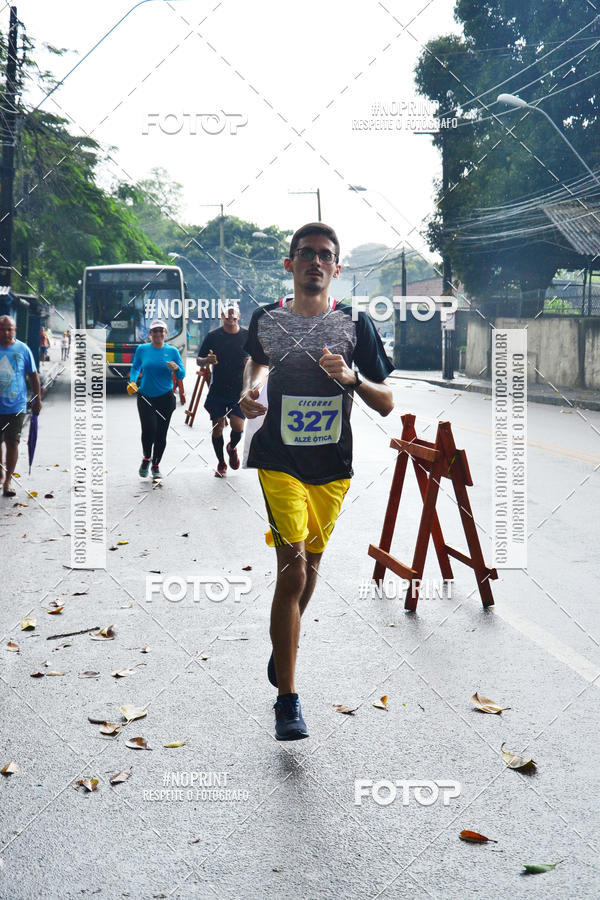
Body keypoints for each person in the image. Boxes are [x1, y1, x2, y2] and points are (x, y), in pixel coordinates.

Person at [240, 223, 394, 741]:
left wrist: (351, 378)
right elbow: (256, 366)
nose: (315, 261)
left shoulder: (354, 325)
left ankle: (283, 644)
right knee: (293, 572)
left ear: (336, 268)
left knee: (311, 572)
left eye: (325, 255)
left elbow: (387, 402)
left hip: (332, 468)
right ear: (289, 264)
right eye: (305, 253)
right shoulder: (266, 320)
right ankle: (288, 701)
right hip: (278, 460)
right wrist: (250, 392)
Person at [127, 319, 185, 480]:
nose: (158, 334)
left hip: (165, 398)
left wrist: (177, 368)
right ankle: (146, 458)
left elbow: (182, 375)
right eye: (155, 331)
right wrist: (132, 380)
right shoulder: (142, 349)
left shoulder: (172, 351)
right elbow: (136, 366)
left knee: (161, 433)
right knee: (149, 430)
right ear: (150, 334)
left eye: (161, 331)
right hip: (145, 396)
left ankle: (156, 465)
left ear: (166, 333)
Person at [196, 303, 248, 477]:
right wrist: (207, 360)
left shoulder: (247, 336)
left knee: (238, 427)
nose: (231, 317)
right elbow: (199, 360)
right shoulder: (213, 336)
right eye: (227, 315)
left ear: (239, 316)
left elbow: (259, 360)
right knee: (217, 428)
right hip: (218, 389)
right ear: (222, 316)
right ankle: (221, 463)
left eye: (234, 315)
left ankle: (232, 447)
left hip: (239, 391)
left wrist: (251, 363)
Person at [0, 315, 42, 497]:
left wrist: (37, 399)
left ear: (15, 330)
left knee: (12, 442)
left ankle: (8, 481)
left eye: (10, 329)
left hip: (16, 407)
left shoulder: (23, 349)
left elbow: (33, 375)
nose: (6, 333)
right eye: (3, 329)